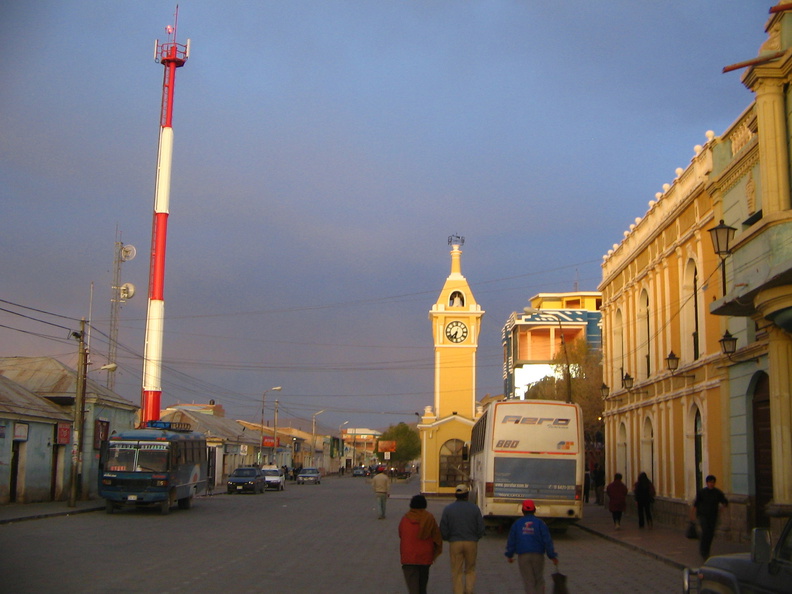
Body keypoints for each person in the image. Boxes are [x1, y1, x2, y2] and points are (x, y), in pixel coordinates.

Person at [504, 499, 559, 594]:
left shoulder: (517, 524)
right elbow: (547, 540)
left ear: (522, 510)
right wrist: (552, 556)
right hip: (538, 555)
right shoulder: (540, 523)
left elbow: (511, 541)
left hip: (523, 555)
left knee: (529, 581)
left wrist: (510, 555)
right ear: (534, 510)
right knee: (539, 579)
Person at [440, 484, 486, 594]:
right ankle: (469, 591)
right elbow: (481, 527)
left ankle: (458, 591)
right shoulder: (475, 509)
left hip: (455, 542)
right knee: (470, 569)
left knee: (457, 571)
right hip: (471, 542)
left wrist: (447, 537)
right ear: (467, 495)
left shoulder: (448, 509)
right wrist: (477, 537)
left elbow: (443, 527)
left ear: (455, 495)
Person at [398, 495, 443, 594]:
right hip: (425, 557)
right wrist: (435, 551)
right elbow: (437, 537)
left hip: (408, 557)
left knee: (413, 588)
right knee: (422, 587)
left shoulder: (405, 519)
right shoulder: (429, 518)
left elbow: (401, 534)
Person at [692, 474, 729, 560]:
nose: (711, 484)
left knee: (710, 534)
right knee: (705, 531)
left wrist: (722, 508)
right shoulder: (702, 492)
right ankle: (703, 550)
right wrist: (692, 515)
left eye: (713, 482)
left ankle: (706, 550)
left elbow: (724, 502)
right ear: (707, 483)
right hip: (702, 515)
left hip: (713, 516)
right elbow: (696, 504)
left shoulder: (717, 493)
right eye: (710, 482)